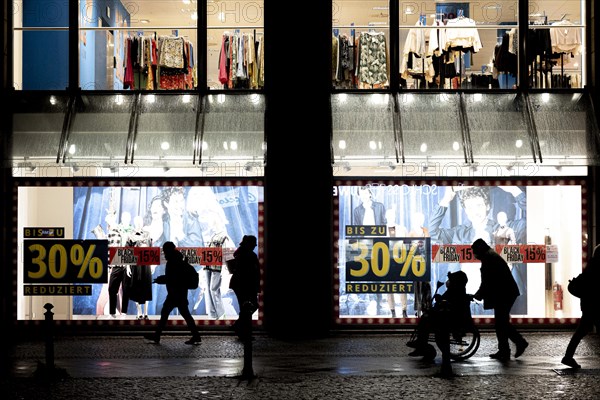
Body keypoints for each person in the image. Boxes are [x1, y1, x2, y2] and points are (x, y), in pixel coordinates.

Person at [471, 238, 528, 361]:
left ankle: (517, 343)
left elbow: (487, 281)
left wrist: (478, 295)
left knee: (501, 323)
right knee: (501, 323)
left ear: (479, 250)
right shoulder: (490, 256)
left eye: (474, 251)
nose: (474, 255)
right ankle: (505, 349)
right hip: (505, 293)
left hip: (504, 294)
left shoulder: (488, 259)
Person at [407, 270, 472, 377]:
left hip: (448, 320)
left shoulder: (456, 292)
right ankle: (421, 343)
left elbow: (448, 305)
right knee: (426, 318)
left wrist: (440, 301)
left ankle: (422, 344)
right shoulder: (455, 290)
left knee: (428, 321)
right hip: (446, 317)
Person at [144, 241, 202, 345]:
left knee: (166, 314)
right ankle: (196, 336)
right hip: (180, 293)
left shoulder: (172, 261)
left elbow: (173, 278)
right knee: (185, 316)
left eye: (164, 250)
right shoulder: (178, 259)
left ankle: (157, 336)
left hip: (175, 294)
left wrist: (161, 279)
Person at [561, 244, 600, 369]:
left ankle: (568, 356)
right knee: (581, 332)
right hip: (595, 305)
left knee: (580, 332)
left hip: (588, 305)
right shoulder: (597, 267)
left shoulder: (591, 266)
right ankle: (567, 357)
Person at [229, 235, 260, 342]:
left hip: (239, 284)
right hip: (246, 285)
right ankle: (242, 331)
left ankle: (240, 329)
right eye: (253, 243)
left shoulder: (240, 254)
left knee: (245, 308)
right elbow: (252, 273)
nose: (255, 245)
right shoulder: (249, 256)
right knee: (250, 307)